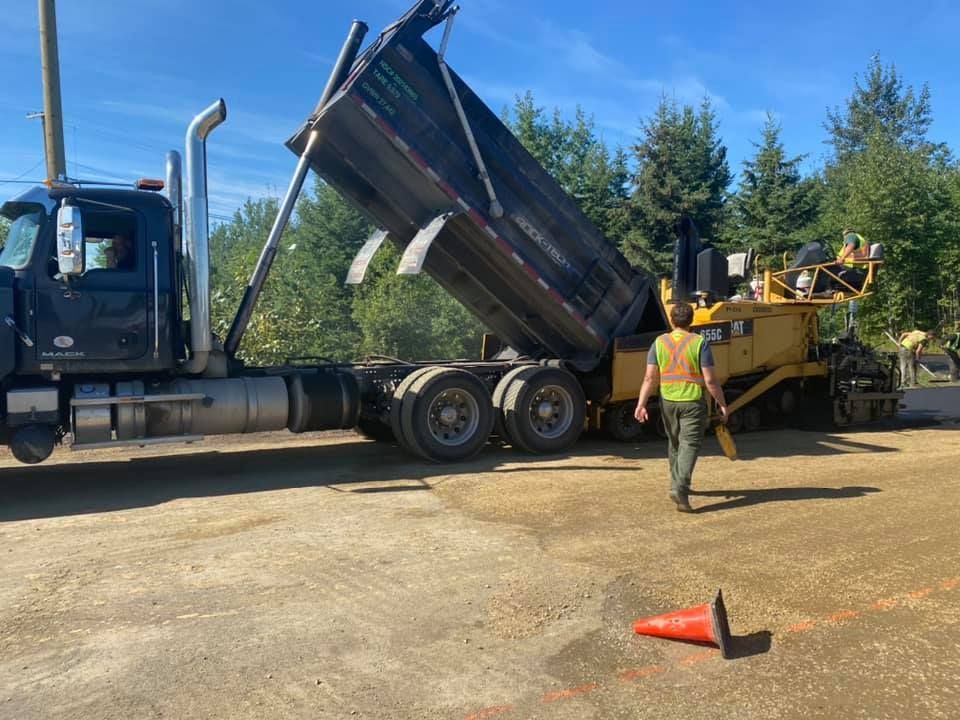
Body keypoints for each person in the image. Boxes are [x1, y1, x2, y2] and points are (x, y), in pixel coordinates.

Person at [634, 303, 728, 513]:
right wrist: (722, 404)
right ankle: (680, 488)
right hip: (692, 401)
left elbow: (650, 377)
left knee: (675, 443)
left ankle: (675, 483)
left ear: (671, 320)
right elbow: (711, 380)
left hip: (667, 401)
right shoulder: (699, 343)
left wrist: (641, 404)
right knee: (690, 444)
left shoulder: (659, 343)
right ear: (691, 321)